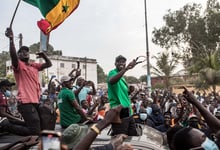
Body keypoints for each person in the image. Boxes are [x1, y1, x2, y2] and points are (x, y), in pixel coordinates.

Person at [2, 27, 52, 135]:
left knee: (40, 125)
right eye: (21, 52)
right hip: (25, 102)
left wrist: (44, 56)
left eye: (26, 52)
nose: (25, 53)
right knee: (35, 131)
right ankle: (7, 126)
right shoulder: (18, 65)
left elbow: (49, 64)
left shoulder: (34, 66)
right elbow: (13, 56)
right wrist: (11, 39)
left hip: (35, 102)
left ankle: (9, 122)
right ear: (19, 56)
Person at [107, 55, 138, 136]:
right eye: (119, 61)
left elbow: (124, 94)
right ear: (115, 63)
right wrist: (126, 68)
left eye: (123, 62)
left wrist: (129, 91)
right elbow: (112, 81)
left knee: (132, 136)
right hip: (119, 111)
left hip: (128, 111)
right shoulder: (112, 73)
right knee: (120, 138)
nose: (122, 63)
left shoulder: (122, 78)